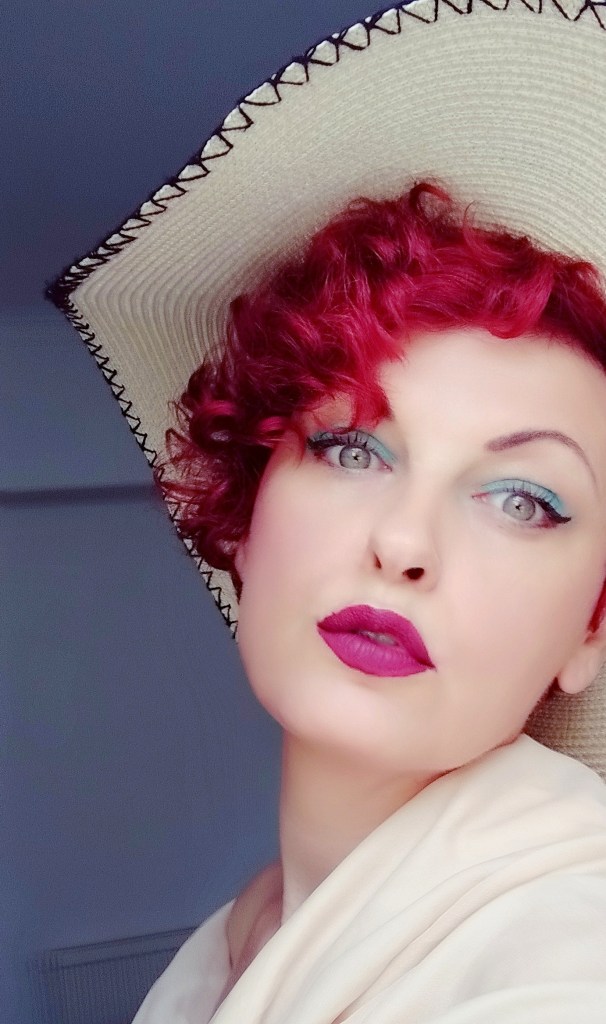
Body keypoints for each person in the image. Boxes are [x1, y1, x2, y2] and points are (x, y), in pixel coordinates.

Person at [48, 1, 606, 1021]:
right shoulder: (234, 939)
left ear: (593, 627)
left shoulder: (569, 947)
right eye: (353, 447)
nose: (403, 542)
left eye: (522, 499)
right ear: (247, 512)